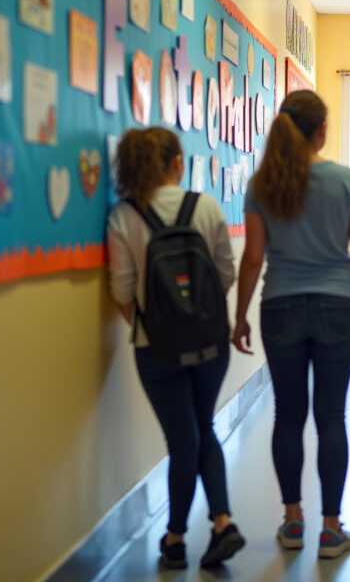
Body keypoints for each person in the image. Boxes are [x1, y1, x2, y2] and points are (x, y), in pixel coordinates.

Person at [232, 91, 350, 560]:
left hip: (280, 307)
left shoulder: (263, 182)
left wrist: (238, 314)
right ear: (320, 131)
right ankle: (331, 530)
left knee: (288, 416)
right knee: (331, 417)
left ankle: (292, 521)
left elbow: (254, 258)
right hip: (337, 306)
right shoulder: (346, 180)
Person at [106, 127, 243, 570]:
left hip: (156, 348)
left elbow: (123, 292)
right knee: (203, 428)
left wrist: (158, 329)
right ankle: (221, 522)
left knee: (182, 439)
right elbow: (225, 274)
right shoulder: (203, 206)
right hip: (210, 342)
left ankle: (176, 538)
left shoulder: (122, 216)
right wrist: (196, 317)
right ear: (178, 164)